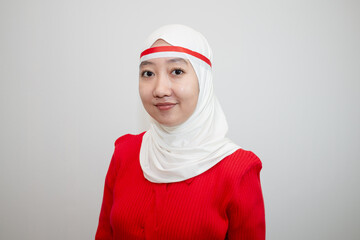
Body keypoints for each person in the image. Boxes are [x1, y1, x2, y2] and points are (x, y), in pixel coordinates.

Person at [95, 24, 265, 240]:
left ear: (203, 81)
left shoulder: (238, 171)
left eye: (177, 71)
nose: (159, 89)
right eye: (148, 73)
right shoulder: (125, 152)